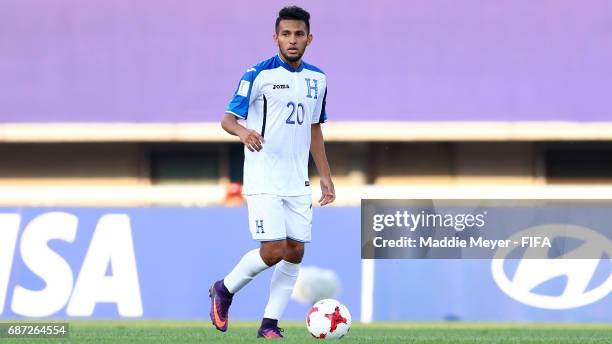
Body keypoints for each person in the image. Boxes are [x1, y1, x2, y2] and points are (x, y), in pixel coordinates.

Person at [209, 5, 335, 339]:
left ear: (310, 38)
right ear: (275, 38)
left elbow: (314, 128)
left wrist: (325, 174)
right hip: (264, 176)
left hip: (298, 179)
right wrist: (243, 132)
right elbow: (227, 119)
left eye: (298, 34)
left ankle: (269, 324)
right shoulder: (257, 75)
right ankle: (224, 289)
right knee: (274, 249)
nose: (292, 40)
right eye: (286, 34)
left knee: (296, 251)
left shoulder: (317, 79)